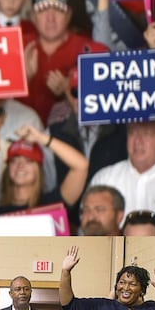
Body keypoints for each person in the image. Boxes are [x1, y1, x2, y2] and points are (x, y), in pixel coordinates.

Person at [46, 68, 128, 229]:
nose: (81, 99)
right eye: (75, 92)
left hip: (112, 220)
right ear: (67, 94)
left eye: (89, 93)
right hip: (69, 221)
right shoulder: (56, 132)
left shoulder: (122, 130)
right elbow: (49, 181)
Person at [18, 0, 109, 126]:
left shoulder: (90, 50)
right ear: (33, 17)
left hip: (68, 136)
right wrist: (21, 80)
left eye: (58, 11)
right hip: (20, 132)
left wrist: (71, 89)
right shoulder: (17, 45)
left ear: (68, 16)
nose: (50, 18)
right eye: (43, 10)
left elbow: (107, 99)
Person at [0, 124, 88, 216]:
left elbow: (81, 166)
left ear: (38, 169)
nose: (20, 165)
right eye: (14, 161)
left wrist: (41, 137)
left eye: (29, 161)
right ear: (8, 170)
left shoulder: (52, 204)